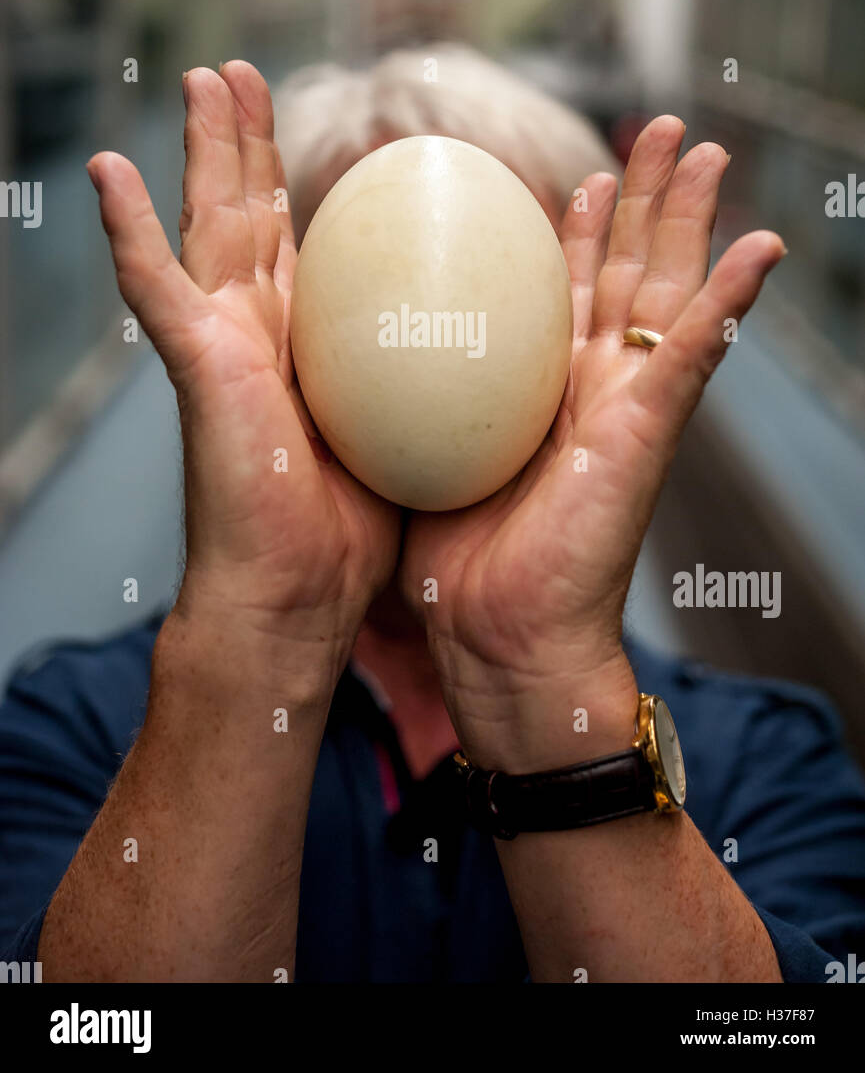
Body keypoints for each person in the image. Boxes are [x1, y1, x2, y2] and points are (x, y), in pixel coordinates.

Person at [1, 49, 864, 984]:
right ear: (282, 338)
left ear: (574, 355)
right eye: (367, 289)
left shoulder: (760, 762)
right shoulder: (82, 733)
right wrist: (263, 639)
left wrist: (541, 683)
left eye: (502, 292)